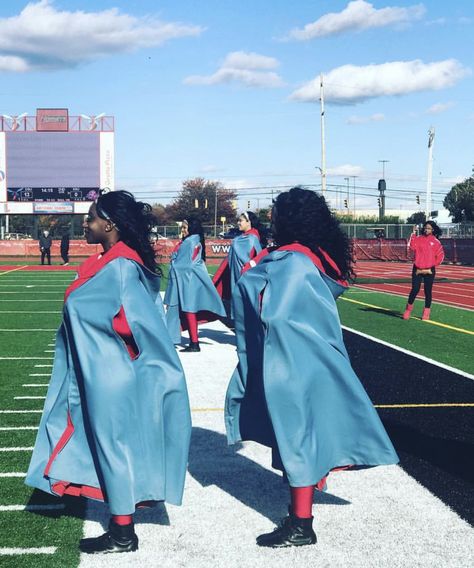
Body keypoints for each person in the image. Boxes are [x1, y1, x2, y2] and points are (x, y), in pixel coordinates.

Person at [225, 187, 399, 548]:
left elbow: (276, 313)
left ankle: (301, 525)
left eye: (275, 213)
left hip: (292, 362)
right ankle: (301, 509)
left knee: (298, 437)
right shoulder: (315, 257)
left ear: (289, 218)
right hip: (316, 358)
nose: (271, 218)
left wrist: (255, 272)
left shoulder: (290, 263)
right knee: (303, 435)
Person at [26, 190, 192, 554]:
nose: (85, 223)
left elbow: (138, 325)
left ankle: (122, 534)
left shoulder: (120, 266)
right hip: (101, 370)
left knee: (113, 449)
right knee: (95, 442)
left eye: (91, 218)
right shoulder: (113, 261)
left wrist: (132, 362)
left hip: (110, 375)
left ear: (110, 224)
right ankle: (112, 519)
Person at [164, 217, 226, 352]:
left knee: (188, 309)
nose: (183, 230)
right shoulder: (194, 240)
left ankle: (193, 343)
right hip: (191, 279)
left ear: (192, 228)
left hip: (187, 280)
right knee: (189, 310)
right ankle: (192, 341)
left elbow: (184, 264)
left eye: (185, 227)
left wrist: (173, 261)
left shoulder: (189, 242)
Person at [213, 210, 267, 318]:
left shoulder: (252, 238)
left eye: (241, 220)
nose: (238, 223)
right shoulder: (242, 238)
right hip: (236, 278)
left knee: (247, 310)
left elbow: (259, 258)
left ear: (249, 222)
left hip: (246, 279)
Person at [402, 221, 444, 321]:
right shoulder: (418, 239)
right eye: (425, 228)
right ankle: (408, 310)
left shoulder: (436, 242)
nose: (426, 230)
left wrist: (432, 265)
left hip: (430, 270)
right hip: (417, 269)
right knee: (415, 289)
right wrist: (413, 233)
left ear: (433, 229)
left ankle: (426, 313)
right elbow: (411, 246)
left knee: (427, 291)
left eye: (428, 228)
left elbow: (441, 256)